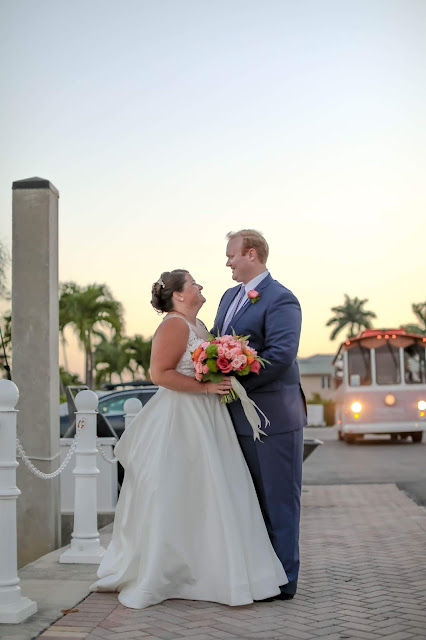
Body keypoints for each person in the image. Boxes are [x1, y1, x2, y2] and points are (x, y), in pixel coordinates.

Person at [90, 269, 287, 609]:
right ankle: (170, 571)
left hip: (209, 417)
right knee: (179, 490)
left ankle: (215, 569)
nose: (200, 286)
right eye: (194, 283)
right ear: (179, 295)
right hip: (181, 418)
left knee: (215, 490)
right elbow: (159, 374)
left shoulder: (199, 327)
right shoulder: (173, 325)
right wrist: (207, 386)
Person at [212, 230, 307, 600]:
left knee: (279, 500)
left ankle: (284, 581)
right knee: (248, 501)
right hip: (234, 419)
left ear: (251, 253)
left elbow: (281, 355)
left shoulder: (282, 299)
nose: (228, 262)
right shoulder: (227, 297)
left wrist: (236, 385)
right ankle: (259, 575)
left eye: (232, 255)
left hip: (273, 417)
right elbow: (218, 344)